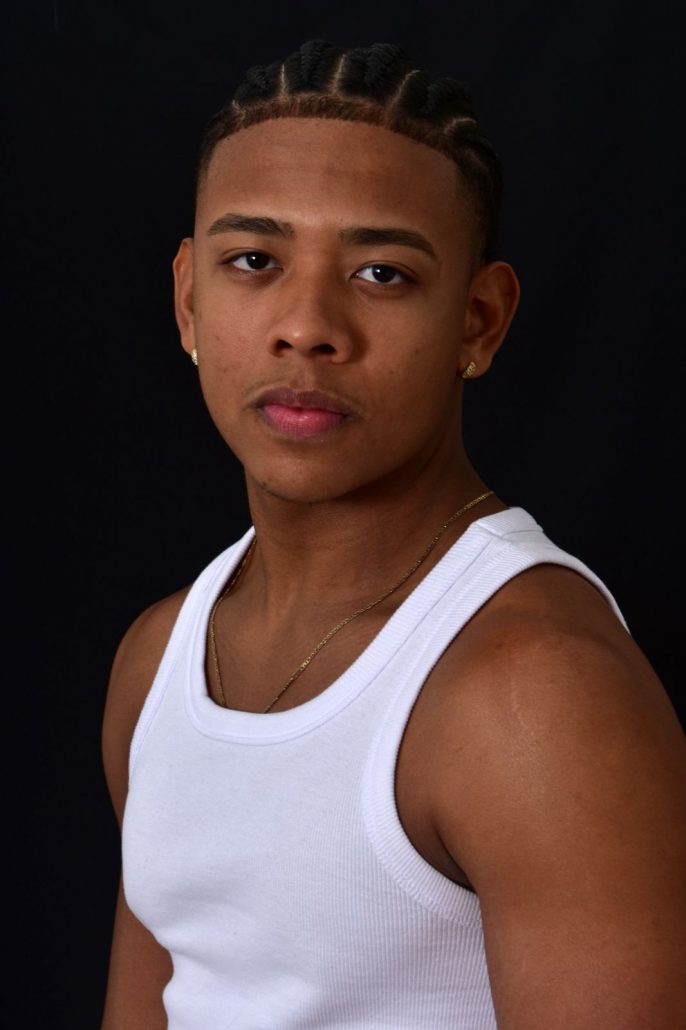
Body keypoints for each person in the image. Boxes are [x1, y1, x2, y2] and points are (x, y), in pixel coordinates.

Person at [100, 39, 686, 1029]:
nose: (306, 326)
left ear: (478, 321)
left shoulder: (533, 691)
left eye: (381, 272)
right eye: (254, 262)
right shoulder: (158, 659)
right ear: (189, 300)